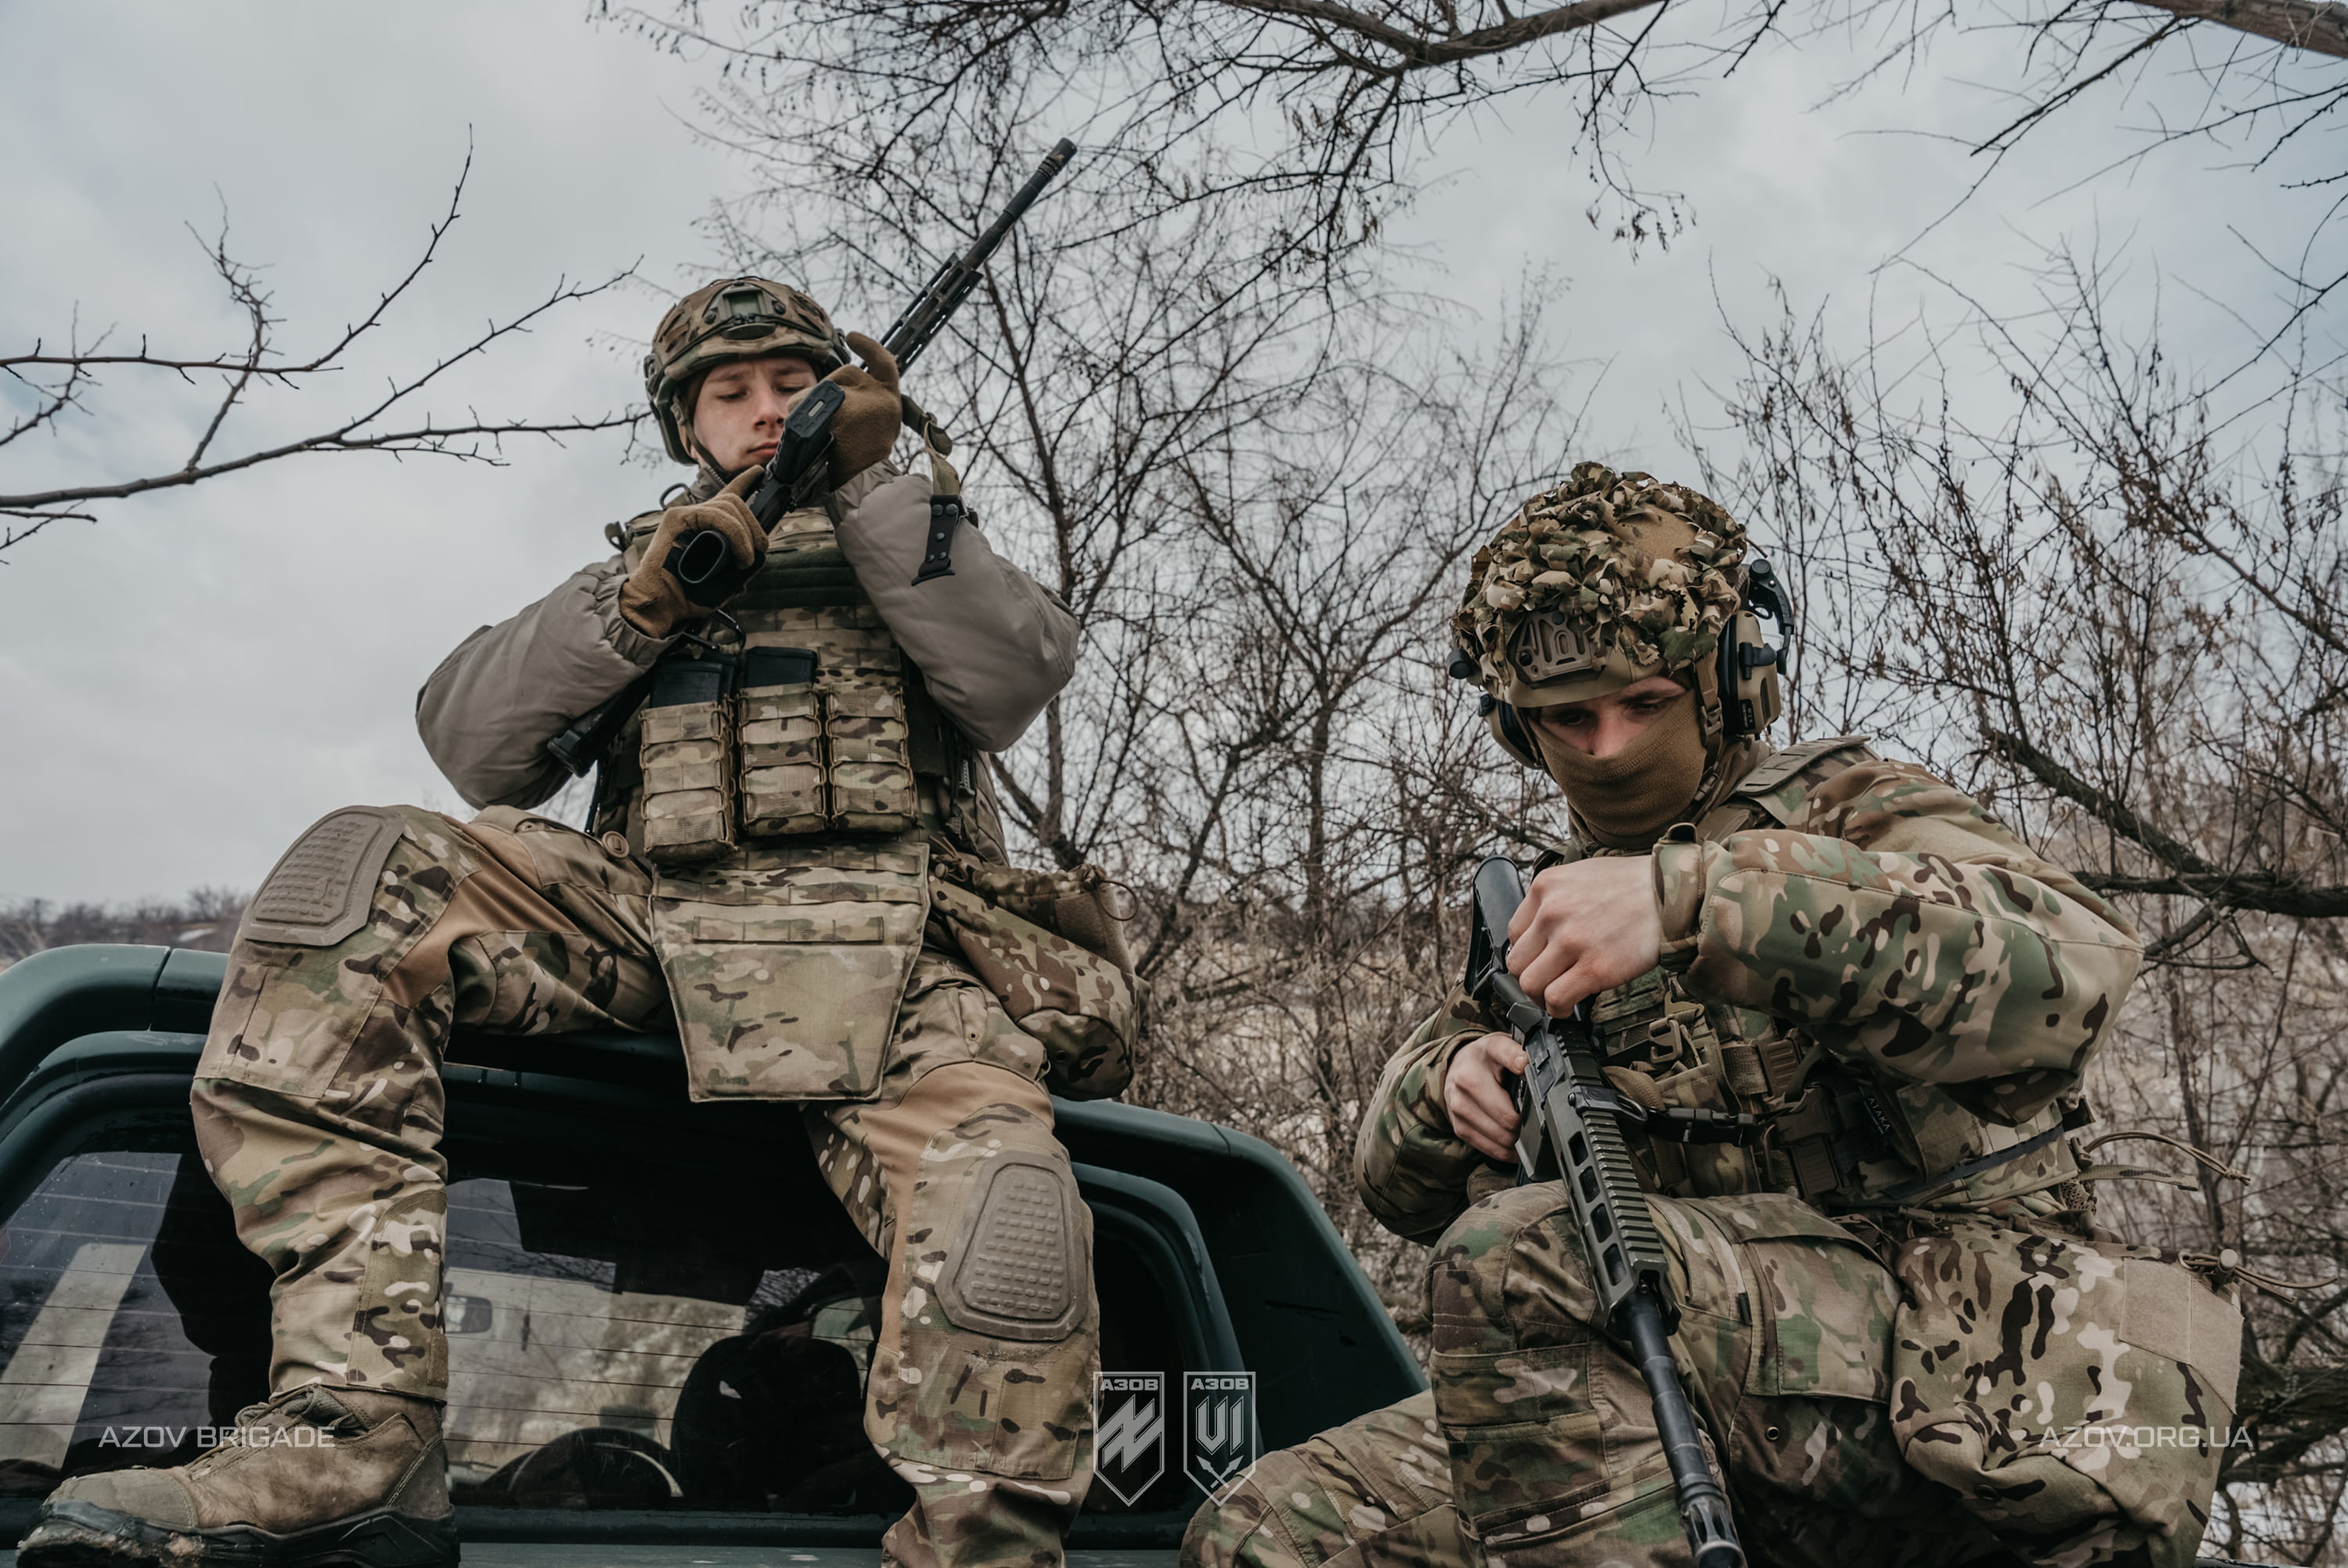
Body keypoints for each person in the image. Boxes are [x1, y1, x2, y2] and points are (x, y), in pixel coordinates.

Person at [24, 278, 1135, 1568]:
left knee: (1005, 1200)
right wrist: (644, 600)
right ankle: (354, 1425)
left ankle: (978, 1545)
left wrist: (885, 486)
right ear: (687, 427)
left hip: (896, 950)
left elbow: (1012, 671)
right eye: (732, 393)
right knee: (353, 878)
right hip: (649, 922)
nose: (768, 410)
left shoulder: (918, 540)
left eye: (795, 383)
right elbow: (472, 740)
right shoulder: (651, 565)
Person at [1185, 463, 2242, 1568]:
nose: (1605, 748)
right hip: (1699, 1384)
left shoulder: (1850, 807)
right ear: (1513, 724)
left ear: (1730, 683)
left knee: (1524, 1255)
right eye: (1566, 718)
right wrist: (1448, 1087)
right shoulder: (1548, 913)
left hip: (1966, 1371)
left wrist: (1692, 901)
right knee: (1272, 1531)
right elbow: (1390, 1181)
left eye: (1644, 704)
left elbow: (2068, 970)